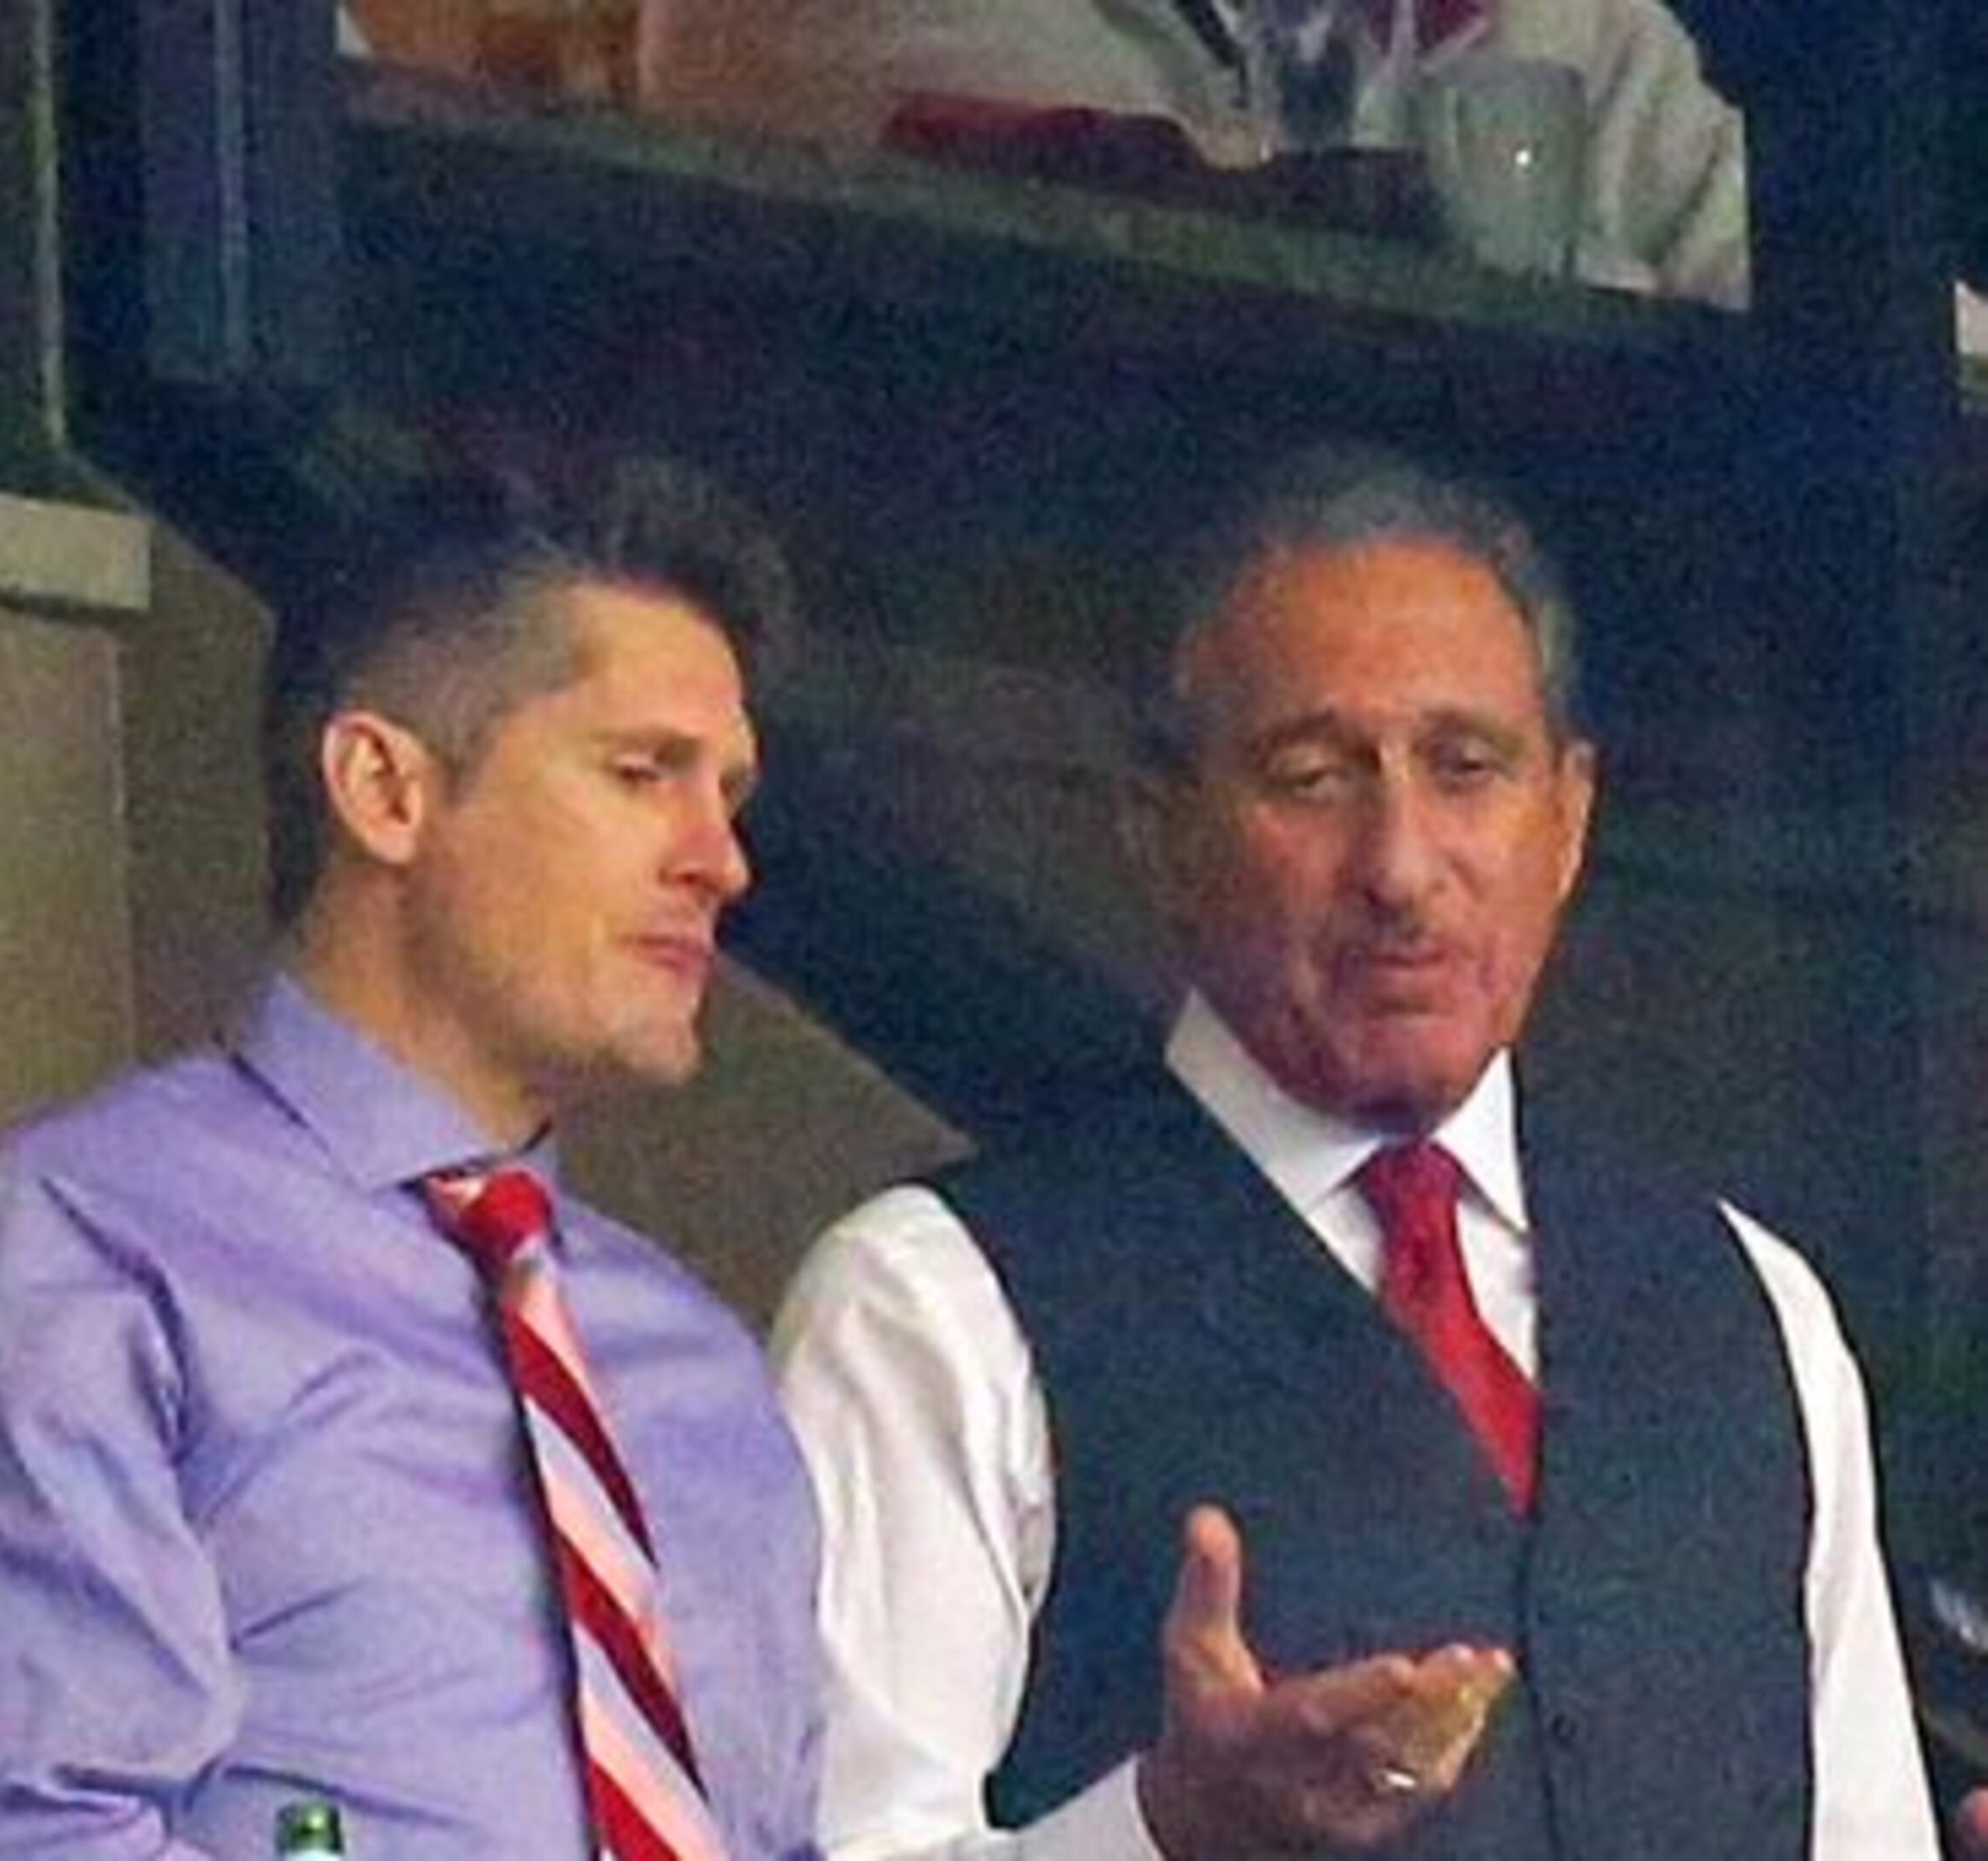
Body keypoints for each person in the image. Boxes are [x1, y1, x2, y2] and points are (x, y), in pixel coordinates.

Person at [769, 444, 1936, 1857]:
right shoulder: (933, 1307)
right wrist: (1159, 1830)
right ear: (1159, 826)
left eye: (1468, 769)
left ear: (1568, 820)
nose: (1399, 863)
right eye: (1313, 777)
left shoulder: (1754, 1310)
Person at [0, 461, 824, 1859]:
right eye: (641, 775)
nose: (719, 859)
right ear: (383, 789)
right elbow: (34, 1836)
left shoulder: (704, 1373)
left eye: (727, 796)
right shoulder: (81, 1256)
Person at [637, 0, 1755, 307]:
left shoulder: (1569, 25)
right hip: (976, 758)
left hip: (1481, 769)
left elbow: (1896, 344)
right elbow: (1183, 273)